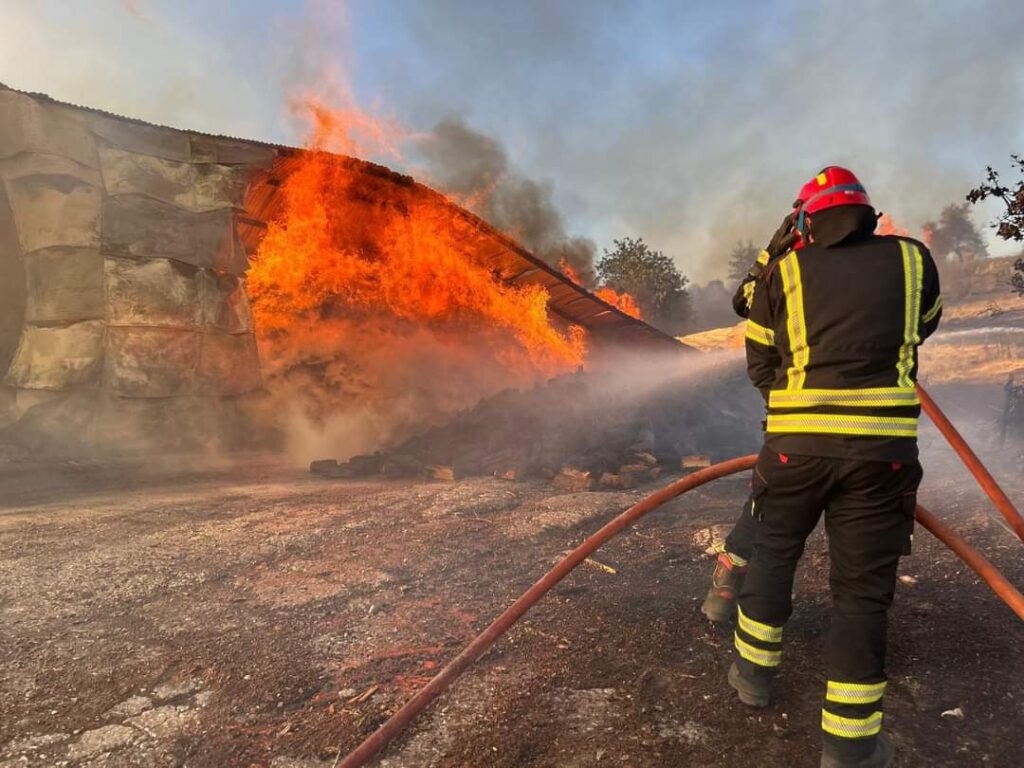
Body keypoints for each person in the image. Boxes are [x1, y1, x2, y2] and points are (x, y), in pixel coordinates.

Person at [726, 166, 942, 768]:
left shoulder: (784, 271)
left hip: (795, 449)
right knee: (862, 593)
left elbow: (755, 341)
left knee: (773, 553)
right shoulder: (913, 260)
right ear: (866, 213)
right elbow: (922, 327)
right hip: (881, 456)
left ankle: (752, 676)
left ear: (805, 220)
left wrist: (793, 404)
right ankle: (849, 746)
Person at [700, 214, 801, 622]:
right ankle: (727, 589)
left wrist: (780, 401)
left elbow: (745, 302)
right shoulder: (875, 264)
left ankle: (725, 589)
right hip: (867, 438)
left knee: (770, 505)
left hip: (796, 424)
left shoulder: (787, 266)